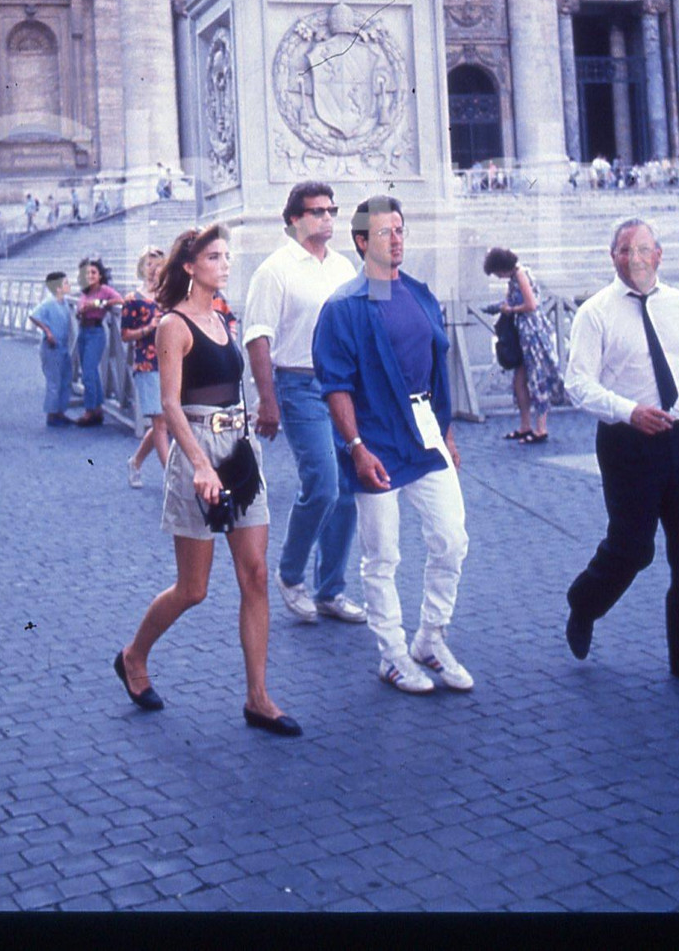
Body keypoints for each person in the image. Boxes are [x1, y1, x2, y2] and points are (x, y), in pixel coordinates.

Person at [115, 224, 301, 737]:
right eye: (215, 257)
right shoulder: (172, 324)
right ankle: (133, 656)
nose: (225, 264)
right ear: (190, 267)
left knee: (256, 575)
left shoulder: (223, 318)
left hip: (240, 450)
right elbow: (170, 402)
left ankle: (258, 698)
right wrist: (198, 463)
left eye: (226, 255)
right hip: (197, 449)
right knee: (194, 589)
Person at [563, 218, 679, 688]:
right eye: (625, 250)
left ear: (659, 255)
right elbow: (577, 384)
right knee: (633, 549)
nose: (635, 258)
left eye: (644, 249)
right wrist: (628, 412)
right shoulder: (596, 313)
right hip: (627, 445)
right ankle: (584, 602)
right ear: (613, 257)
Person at [312, 196, 472, 694]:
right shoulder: (343, 306)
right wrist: (357, 447)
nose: (396, 238)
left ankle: (430, 637)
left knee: (452, 539)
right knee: (382, 557)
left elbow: (436, 363)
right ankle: (393, 655)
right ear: (361, 242)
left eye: (400, 229)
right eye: (385, 232)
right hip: (376, 439)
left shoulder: (421, 294)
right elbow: (335, 384)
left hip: (425, 435)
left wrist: (445, 429)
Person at [243, 182, 365, 625]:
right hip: (297, 385)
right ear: (294, 218)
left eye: (331, 210)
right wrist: (266, 401)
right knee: (324, 485)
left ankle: (331, 588)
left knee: (349, 491)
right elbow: (258, 335)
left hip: (342, 386)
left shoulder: (343, 267)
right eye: (316, 212)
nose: (327, 219)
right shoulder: (274, 270)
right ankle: (291, 574)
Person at [483, 246, 564, 445]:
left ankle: (541, 428)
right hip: (523, 332)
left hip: (531, 333)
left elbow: (531, 305)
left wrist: (510, 310)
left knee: (536, 379)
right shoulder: (516, 276)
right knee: (519, 382)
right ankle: (525, 425)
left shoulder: (520, 275)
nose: (498, 277)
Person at [121, 247, 169, 487]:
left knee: (166, 420)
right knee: (159, 421)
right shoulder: (132, 299)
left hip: (171, 363)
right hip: (147, 364)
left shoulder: (169, 296)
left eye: (158, 264)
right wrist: (148, 328)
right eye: (149, 264)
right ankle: (172, 478)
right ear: (141, 268)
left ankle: (136, 461)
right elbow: (125, 334)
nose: (153, 270)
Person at [74, 257, 123, 426]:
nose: (90, 275)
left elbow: (120, 301)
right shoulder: (85, 291)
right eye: (87, 273)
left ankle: (89, 410)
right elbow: (79, 309)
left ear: (100, 275)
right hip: (83, 331)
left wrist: (99, 304)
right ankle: (97, 409)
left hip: (95, 332)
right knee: (91, 371)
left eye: (94, 272)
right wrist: (84, 308)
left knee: (88, 371)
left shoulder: (105, 290)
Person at [29, 271, 75, 426]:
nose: (69, 285)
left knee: (66, 379)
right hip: (52, 347)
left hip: (63, 346)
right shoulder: (49, 302)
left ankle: (60, 411)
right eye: (66, 283)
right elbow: (33, 315)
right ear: (58, 288)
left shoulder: (65, 303)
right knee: (54, 381)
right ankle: (52, 414)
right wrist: (47, 331)